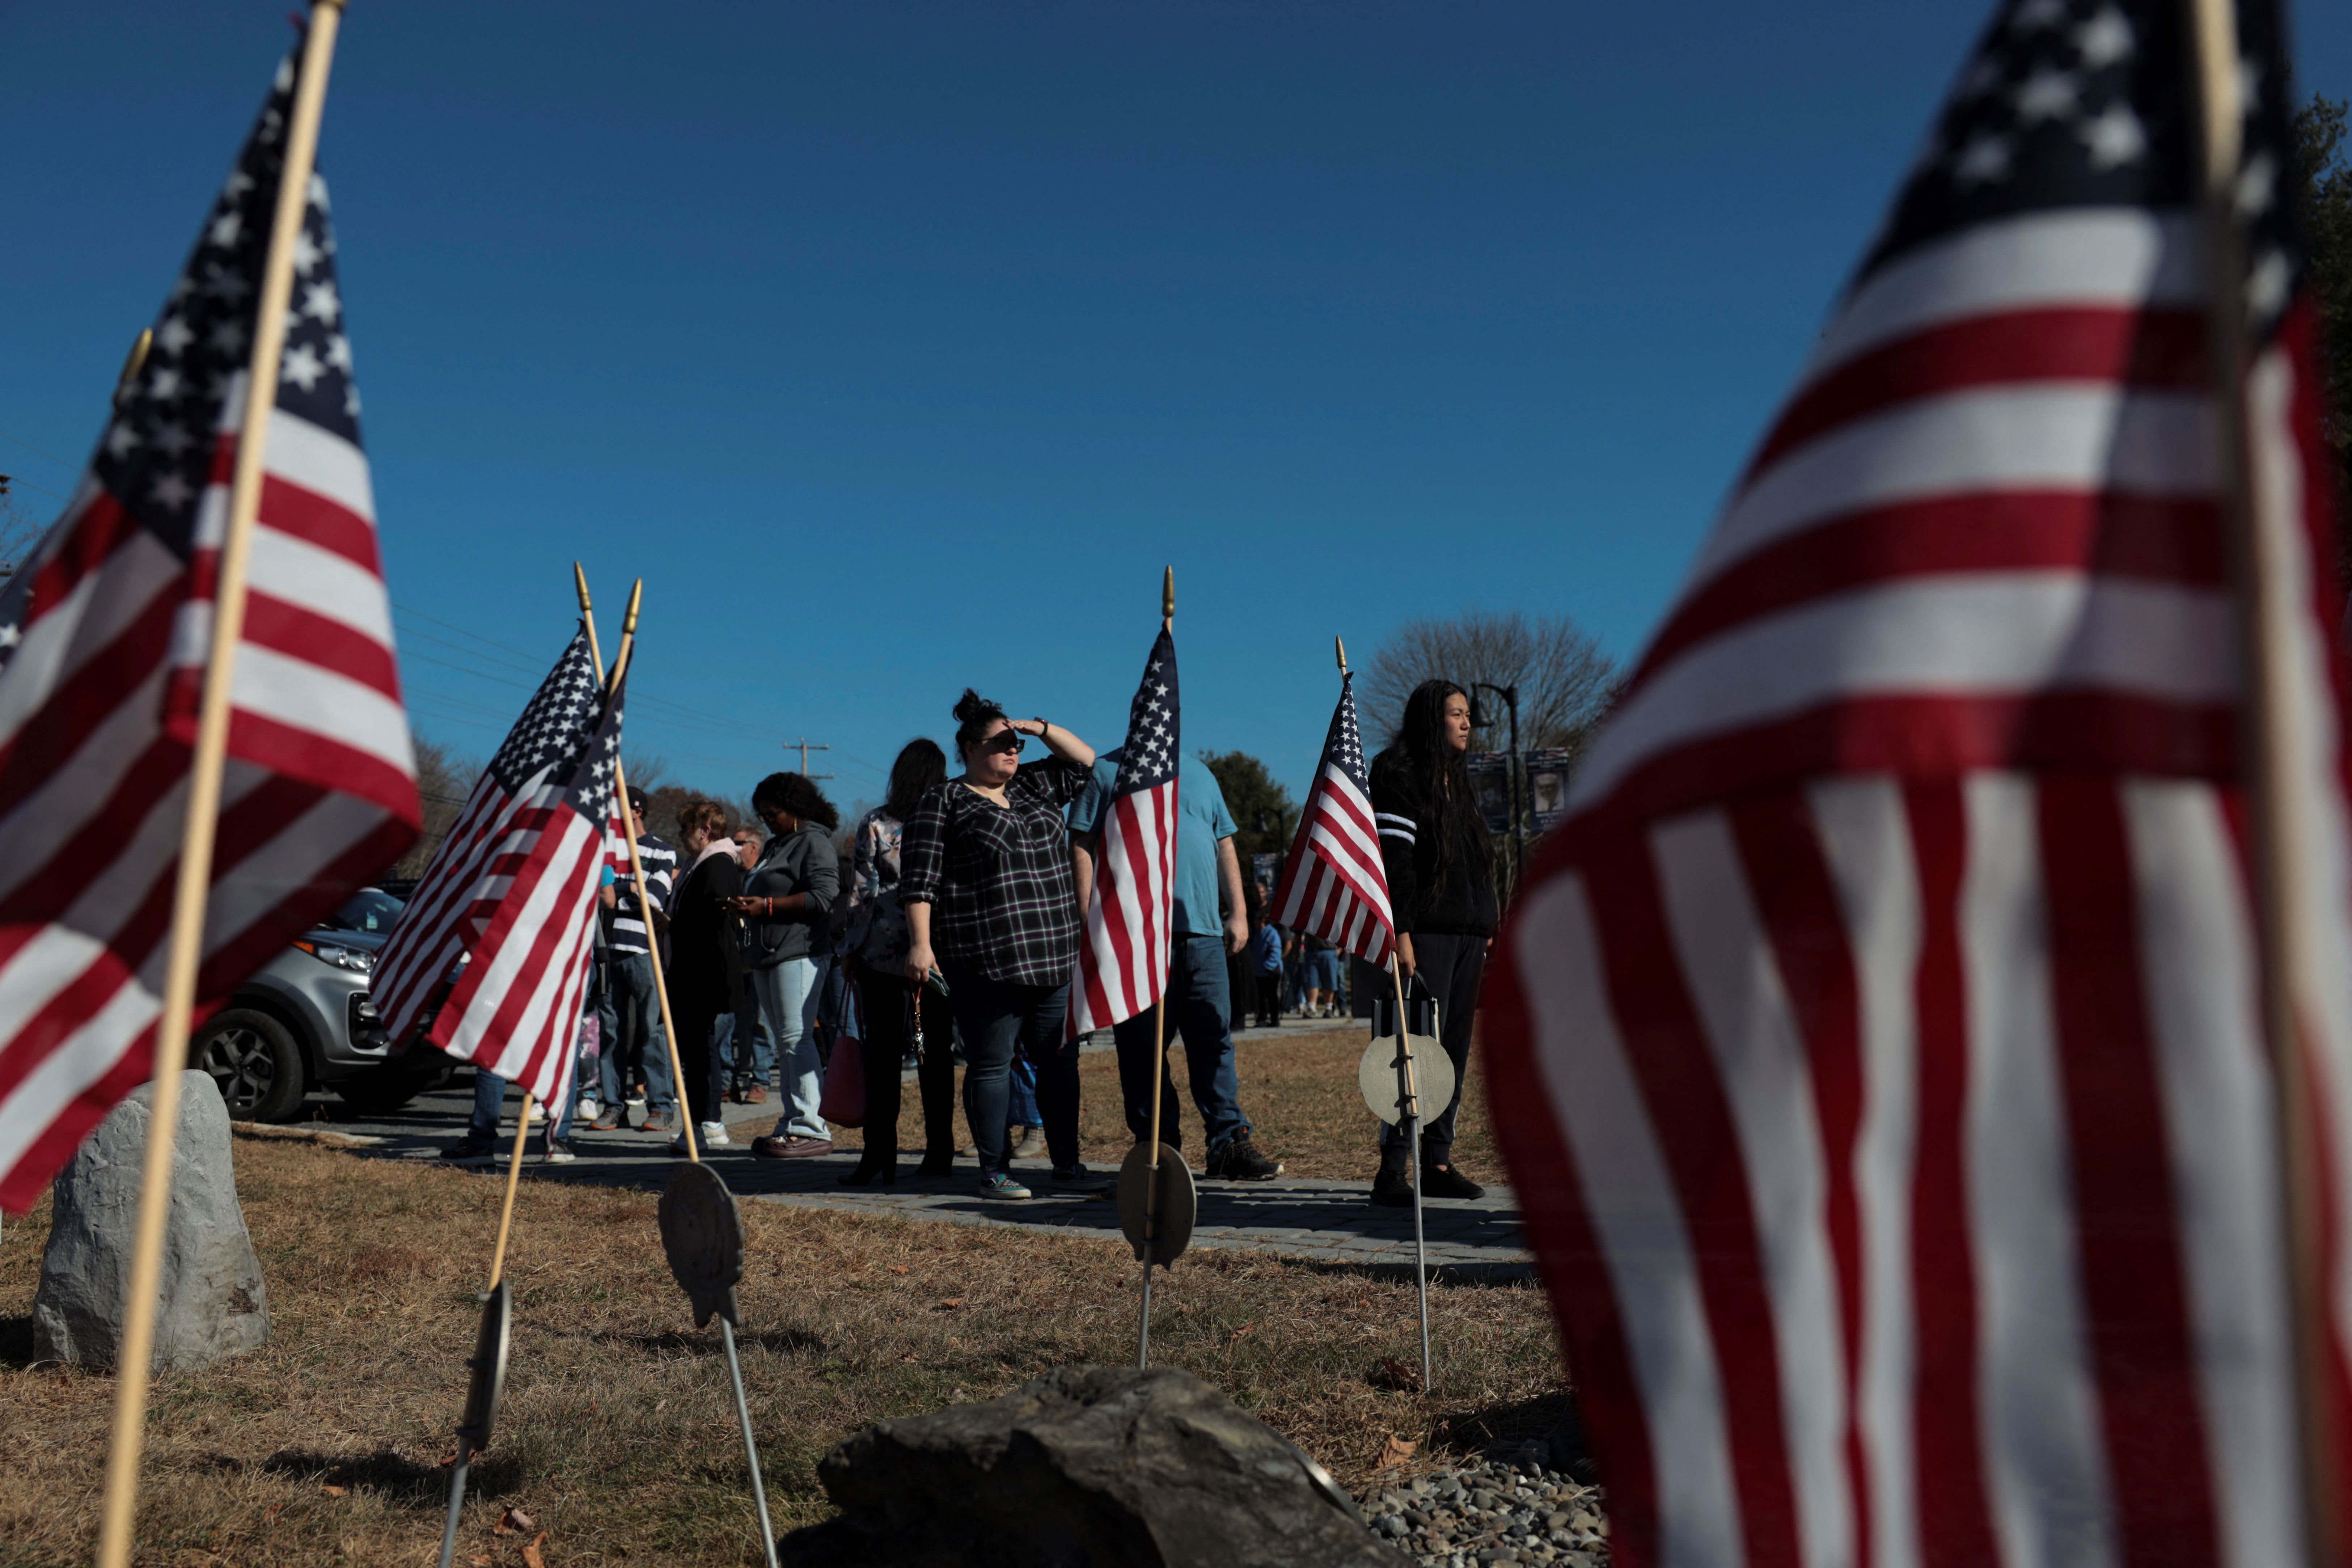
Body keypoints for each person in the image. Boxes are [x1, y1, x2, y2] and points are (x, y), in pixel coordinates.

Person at [899, 690, 1098, 1199]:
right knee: (991, 1064)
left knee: (1060, 1061)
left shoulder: (1032, 785)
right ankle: (994, 1171)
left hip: (1054, 952)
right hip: (985, 957)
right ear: (969, 748)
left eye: (1017, 744)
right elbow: (919, 882)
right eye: (1001, 743)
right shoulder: (943, 801)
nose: (1013, 750)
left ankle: (1067, 1164)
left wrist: (1039, 728)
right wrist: (920, 945)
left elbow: (1086, 762)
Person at [1071, 749, 1282, 1180]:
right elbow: (1080, 844)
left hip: (1204, 936)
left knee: (1214, 1041)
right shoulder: (1107, 771)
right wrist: (1089, 919)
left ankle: (1228, 1144)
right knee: (1142, 1051)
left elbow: (1224, 844)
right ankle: (1158, 1150)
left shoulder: (1201, 773)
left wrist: (1239, 912)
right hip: (1136, 938)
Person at [1369, 678, 1498, 1204]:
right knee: (1413, 1048)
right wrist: (1400, 932)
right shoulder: (1398, 773)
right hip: (1424, 933)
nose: (1467, 722)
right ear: (1430, 718)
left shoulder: (1459, 781)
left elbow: (1477, 861)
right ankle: (1392, 1169)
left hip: (1468, 935)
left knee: (1454, 1052)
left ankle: (1438, 1161)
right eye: (1456, 713)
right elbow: (1394, 860)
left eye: (1468, 714)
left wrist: (1487, 923)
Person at [836, 739, 956, 1185]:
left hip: (882, 960)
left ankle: (878, 1154)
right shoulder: (949, 817)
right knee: (930, 1054)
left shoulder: (877, 822)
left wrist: (851, 949)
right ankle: (938, 1153)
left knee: (883, 1059)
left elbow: (861, 892)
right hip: (933, 960)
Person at [740, 773, 842, 1159]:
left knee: (796, 1038)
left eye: (773, 813)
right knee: (785, 1043)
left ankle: (810, 1127)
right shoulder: (775, 844)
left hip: (800, 951)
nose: (767, 820)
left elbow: (824, 895)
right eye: (762, 815)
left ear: (795, 808)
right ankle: (791, 1123)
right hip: (767, 953)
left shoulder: (814, 841)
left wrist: (767, 907)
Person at [591, 787, 676, 1133]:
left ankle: (661, 1106)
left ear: (637, 811)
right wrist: (627, 889)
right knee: (611, 1032)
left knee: (653, 1029)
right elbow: (596, 895)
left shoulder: (662, 850)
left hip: (644, 951)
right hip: (606, 951)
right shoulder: (604, 850)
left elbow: (653, 899)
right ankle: (614, 1106)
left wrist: (616, 890)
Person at [666, 798, 747, 1151]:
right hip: (696, 970)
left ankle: (703, 1123)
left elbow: (713, 919)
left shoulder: (717, 864)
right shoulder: (700, 864)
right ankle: (705, 1122)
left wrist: (672, 925)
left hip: (704, 972)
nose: (681, 835)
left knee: (700, 1051)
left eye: (685, 828)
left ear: (705, 830)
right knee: (699, 1048)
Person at [728, 825, 772, 1101]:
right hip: (735, 957)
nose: (734, 848)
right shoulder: (732, 875)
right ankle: (731, 1078)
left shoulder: (766, 875)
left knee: (761, 1020)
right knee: (735, 1022)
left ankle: (761, 1080)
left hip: (759, 955)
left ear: (754, 846)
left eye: (739, 843)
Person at [1249, 914, 1284, 1029]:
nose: (1255, 922)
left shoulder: (1272, 934)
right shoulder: (1257, 934)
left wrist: (1267, 967)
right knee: (1261, 997)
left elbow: (1276, 952)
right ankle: (1262, 1019)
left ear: (1263, 921)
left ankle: (1275, 1020)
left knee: (1272, 997)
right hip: (1259, 972)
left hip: (1271, 972)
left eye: (1257, 919)